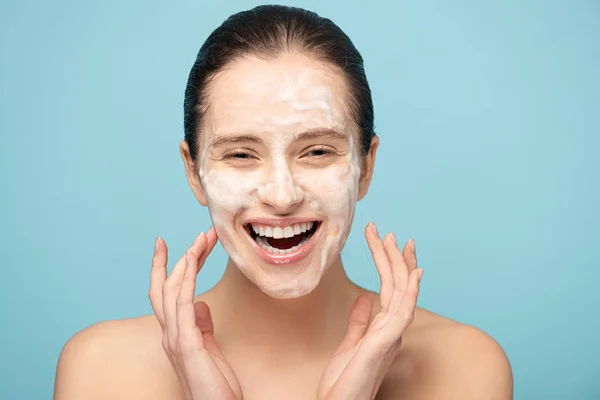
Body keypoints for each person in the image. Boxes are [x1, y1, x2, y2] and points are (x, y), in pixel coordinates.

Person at [53, 5, 513, 399]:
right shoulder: (100, 372)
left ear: (365, 167)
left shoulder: (463, 367)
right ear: (194, 173)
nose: (281, 196)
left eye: (316, 152)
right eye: (239, 154)